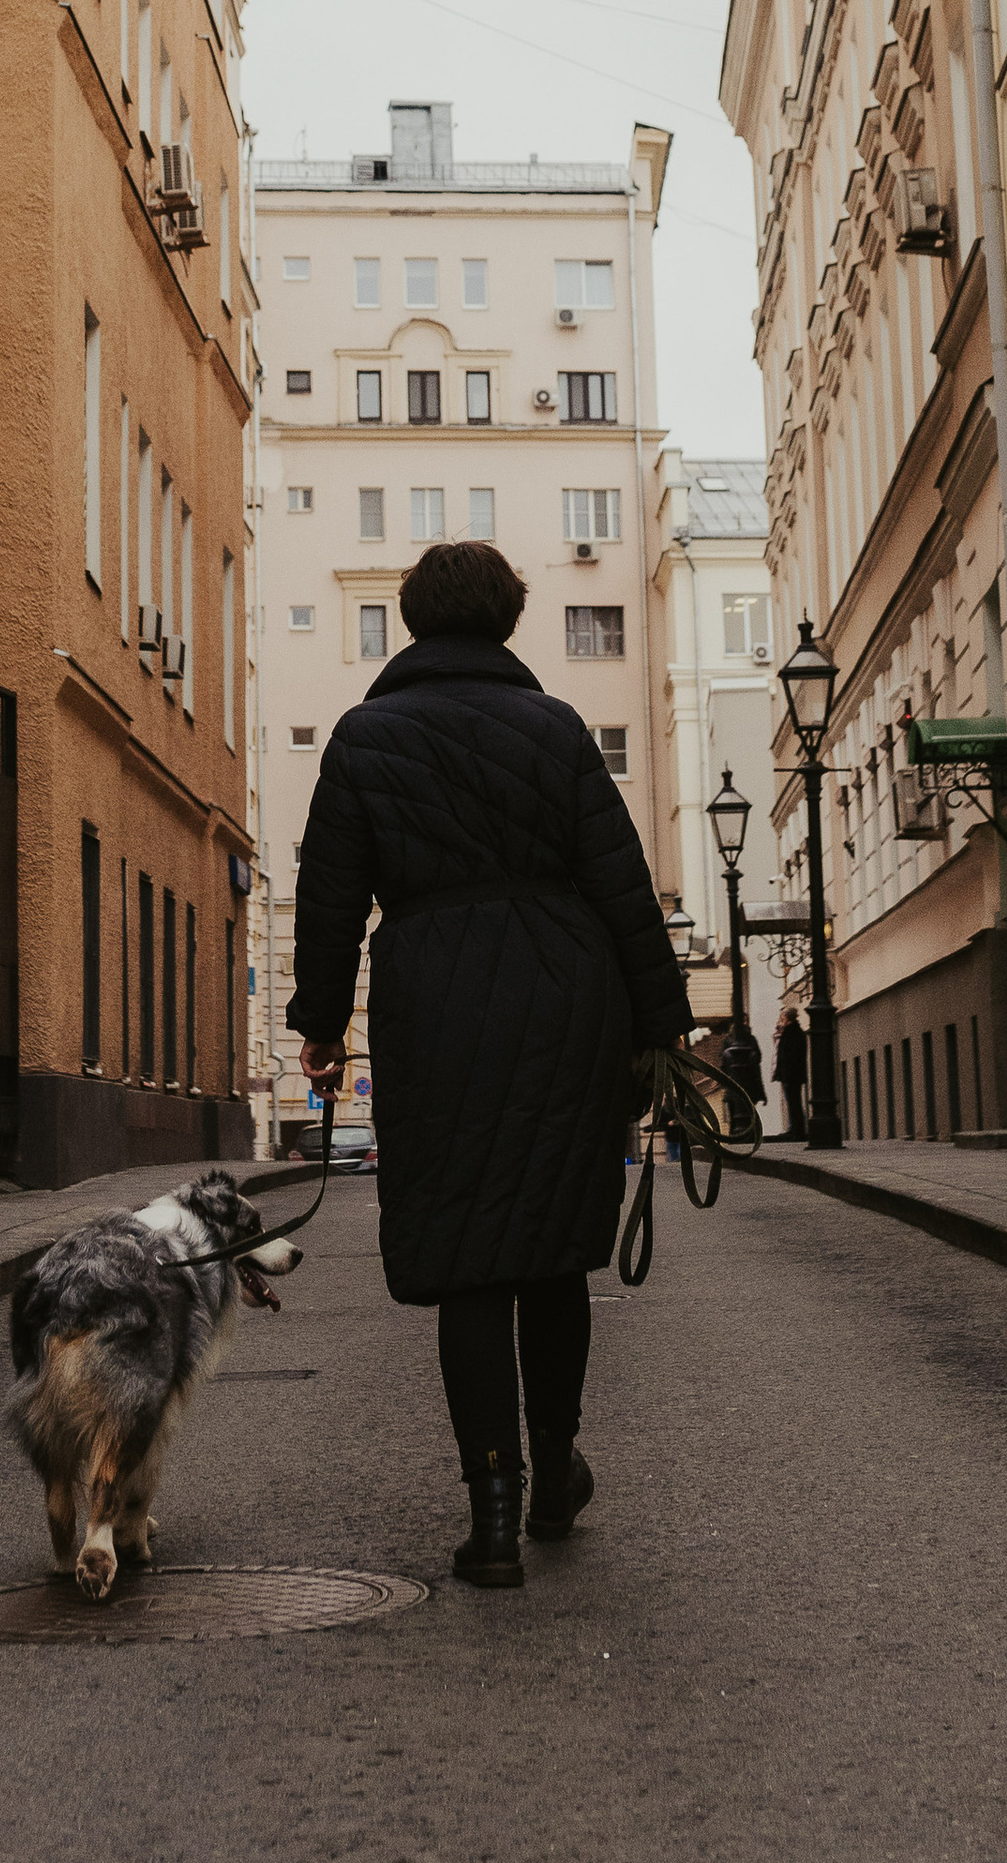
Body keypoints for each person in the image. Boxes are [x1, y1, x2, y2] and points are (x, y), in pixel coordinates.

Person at [288, 537, 698, 1593]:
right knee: (552, 1250)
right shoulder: (555, 728)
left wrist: (321, 1028)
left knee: (471, 1258)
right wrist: (664, 1025)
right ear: (510, 619)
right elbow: (620, 882)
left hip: (433, 1008)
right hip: (568, 999)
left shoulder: (362, 737)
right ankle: (556, 1472)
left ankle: (494, 1514)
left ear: (413, 621)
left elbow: (332, 899)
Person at [776, 1004, 809, 1143]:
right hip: (793, 1073)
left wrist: (786, 1073)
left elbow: (789, 1055)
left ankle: (797, 1130)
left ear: (786, 1018)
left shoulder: (791, 1033)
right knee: (793, 1102)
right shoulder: (794, 1031)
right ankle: (795, 1128)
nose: (780, 1019)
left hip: (791, 1074)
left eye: (782, 1017)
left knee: (794, 1102)